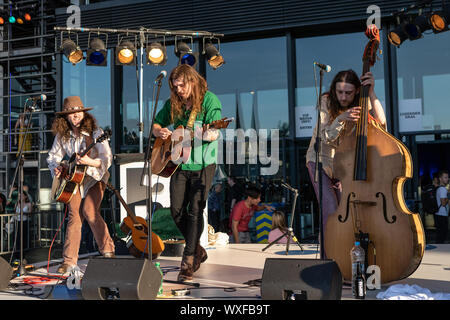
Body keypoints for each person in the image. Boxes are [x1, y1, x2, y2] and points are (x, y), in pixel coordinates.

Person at [152, 64, 222, 282]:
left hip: (203, 164)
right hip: (180, 163)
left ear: (192, 81)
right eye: (175, 86)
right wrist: (160, 131)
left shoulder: (210, 100)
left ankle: (188, 261)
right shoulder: (174, 103)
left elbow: (214, 133)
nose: (179, 89)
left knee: (195, 211)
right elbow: (156, 124)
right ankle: (198, 249)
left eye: (182, 85)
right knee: (176, 211)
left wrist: (204, 134)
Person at [305, 70, 386, 252]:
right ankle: (326, 262)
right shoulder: (326, 100)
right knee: (330, 209)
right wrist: (341, 119)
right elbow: (324, 137)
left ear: (357, 91)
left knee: (346, 212)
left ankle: (343, 259)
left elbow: (382, 124)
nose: (342, 97)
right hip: (319, 161)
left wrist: (371, 92)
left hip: (342, 166)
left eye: (348, 93)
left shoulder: (361, 103)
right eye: (339, 92)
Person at [47, 96, 115, 274]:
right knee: (74, 216)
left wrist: (88, 161)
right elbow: (52, 157)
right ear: (66, 117)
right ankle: (69, 261)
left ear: (83, 114)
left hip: (95, 177)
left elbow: (107, 159)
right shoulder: (63, 136)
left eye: (77, 112)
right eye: (71, 113)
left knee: (90, 211)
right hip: (73, 180)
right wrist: (57, 168)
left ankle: (108, 250)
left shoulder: (96, 133)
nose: (75, 116)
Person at [435, 170, 449, 243]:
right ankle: (438, 252)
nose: (447, 179)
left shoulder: (439, 188)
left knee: (440, 236)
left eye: (447, 177)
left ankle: (438, 251)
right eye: (445, 177)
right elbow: (443, 203)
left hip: (439, 214)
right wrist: (448, 198)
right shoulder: (443, 189)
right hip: (442, 215)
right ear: (440, 179)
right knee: (441, 236)